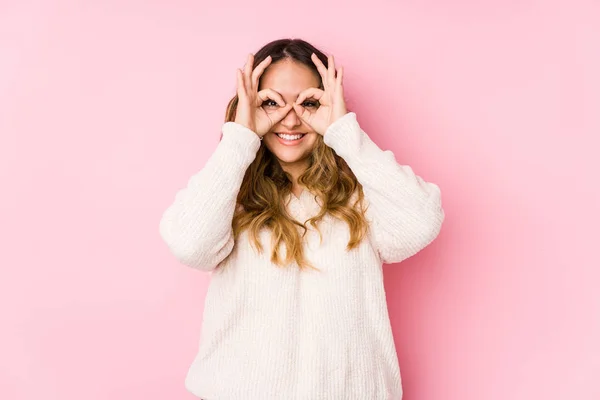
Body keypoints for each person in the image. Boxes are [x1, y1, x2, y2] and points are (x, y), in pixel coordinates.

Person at [159, 38, 445, 400]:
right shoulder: (229, 195)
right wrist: (239, 138)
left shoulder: (363, 195)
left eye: (308, 103)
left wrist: (346, 133)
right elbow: (189, 244)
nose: (291, 118)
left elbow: (420, 223)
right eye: (271, 103)